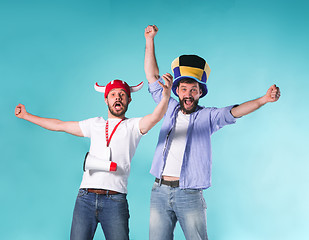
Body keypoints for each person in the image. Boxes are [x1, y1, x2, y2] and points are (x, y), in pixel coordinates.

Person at [144, 25, 281, 240]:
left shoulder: (208, 116)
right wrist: (150, 40)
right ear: (177, 91)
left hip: (189, 193)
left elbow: (235, 111)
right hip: (159, 190)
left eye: (193, 91)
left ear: (200, 93)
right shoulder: (167, 106)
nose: (188, 95)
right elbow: (152, 78)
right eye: (184, 90)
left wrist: (264, 100)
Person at [15, 76, 173, 240]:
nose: (117, 97)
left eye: (122, 94)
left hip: (115, 200)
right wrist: (26, 116)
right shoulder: (95, 124)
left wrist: (166, 96)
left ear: (129, 99)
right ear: (106, 100)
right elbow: (59, 125)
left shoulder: (133, 126)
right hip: (85, 199)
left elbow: (156, 116)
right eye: (112, 95)